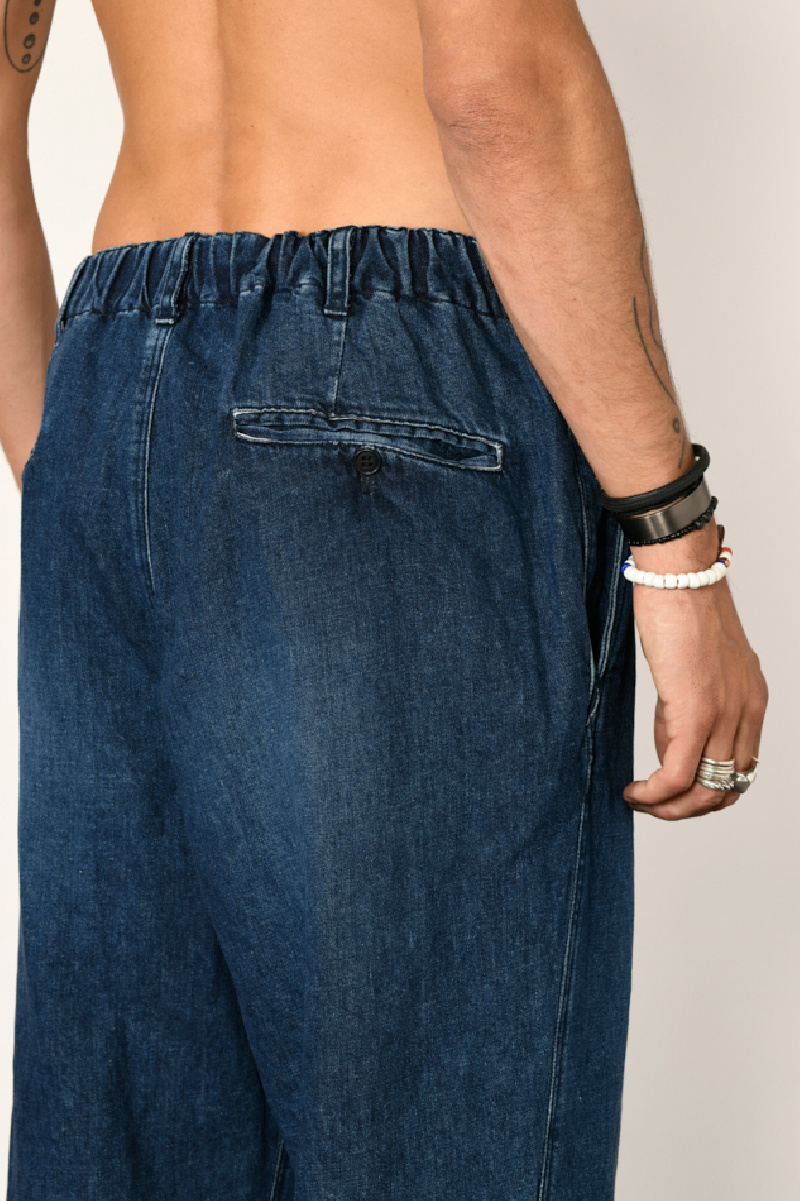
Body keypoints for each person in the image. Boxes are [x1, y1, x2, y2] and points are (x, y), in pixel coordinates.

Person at [1, 0, 767, 1197]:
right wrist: (673, 538)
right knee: (440, 1132)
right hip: (383, 361)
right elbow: (496, 85)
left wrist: (76, 473)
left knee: (133, 1128)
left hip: (107, 383)